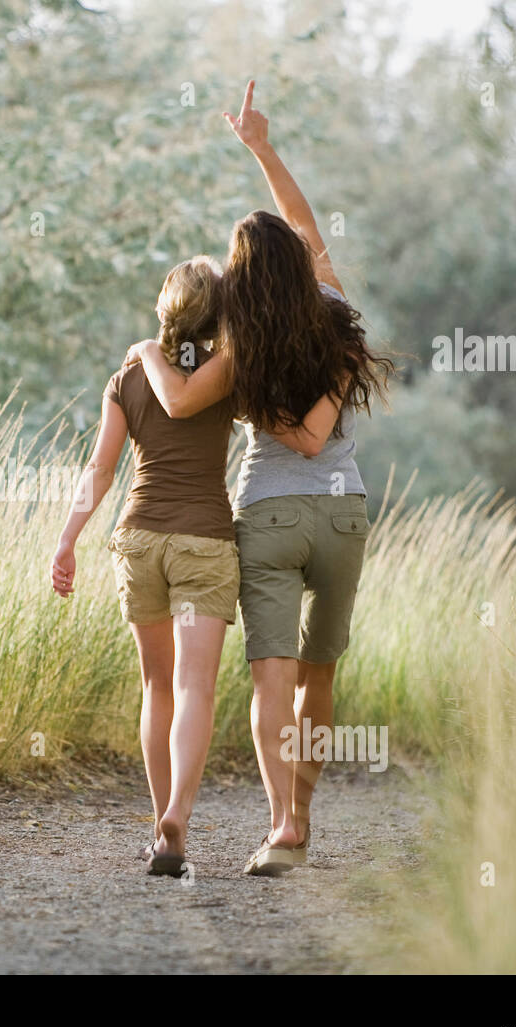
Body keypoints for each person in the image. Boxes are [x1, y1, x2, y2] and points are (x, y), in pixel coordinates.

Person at [127, 82, 394, 875]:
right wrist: (262, 148)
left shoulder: (240, 347)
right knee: (320, 672)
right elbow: (304, 221)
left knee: (270, 674)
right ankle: (301, 815)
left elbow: (178, 401)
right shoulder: (335, 309)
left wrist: (149, 352)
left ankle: (282, 828)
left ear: (244, 282)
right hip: (343, 515)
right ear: (299, 261)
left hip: (269, 513)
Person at [50, 256, 238, 877]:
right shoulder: (227, 372)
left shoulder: (126, 377)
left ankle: (163, 828)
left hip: (138, 541)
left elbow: (99, 470)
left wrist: (67, 539)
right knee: (193, 687)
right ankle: (178, 816)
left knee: (157, 686)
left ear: (163, 311)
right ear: (217, 316)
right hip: (202, 543)